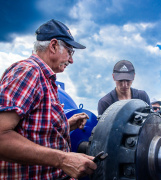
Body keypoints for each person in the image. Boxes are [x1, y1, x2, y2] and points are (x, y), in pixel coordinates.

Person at [0, 19, 97, 179]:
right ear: (53, 46)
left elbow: (31, 129)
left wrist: (65, 125)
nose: (71, 60)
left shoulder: (45, 79)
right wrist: (63, 160)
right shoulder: (28, 72)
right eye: (70, 51)